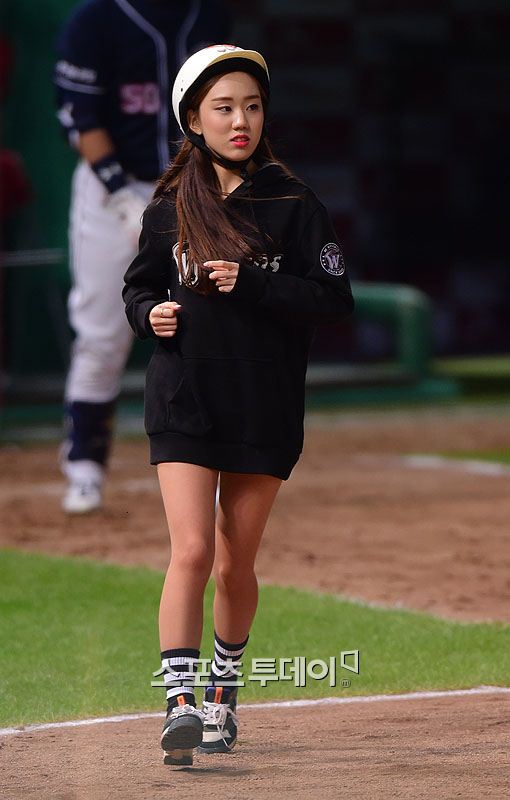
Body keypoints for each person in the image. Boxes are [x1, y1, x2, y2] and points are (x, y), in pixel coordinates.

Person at [123, 44, 355, 766]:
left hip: (264, 404)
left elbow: (334, 301)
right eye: (223, 108)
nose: (240, 120)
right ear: (194, 119)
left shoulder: (294, 204)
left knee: (233, 564)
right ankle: (179, 706)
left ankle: (222, 694)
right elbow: (138, 287)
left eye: (252, 106)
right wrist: (149, 315)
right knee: (191, 551)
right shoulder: (167, 209)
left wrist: (253, 284)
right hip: (184, 398)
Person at [53, 0, 231, 513]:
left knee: (214, 328)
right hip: (113, 187)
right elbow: (78, 117)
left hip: (196, 187)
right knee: (102, 333)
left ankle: (218, 464)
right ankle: (85, 466)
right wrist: (121, 196)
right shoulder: (96, 18)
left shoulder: (208, 13)